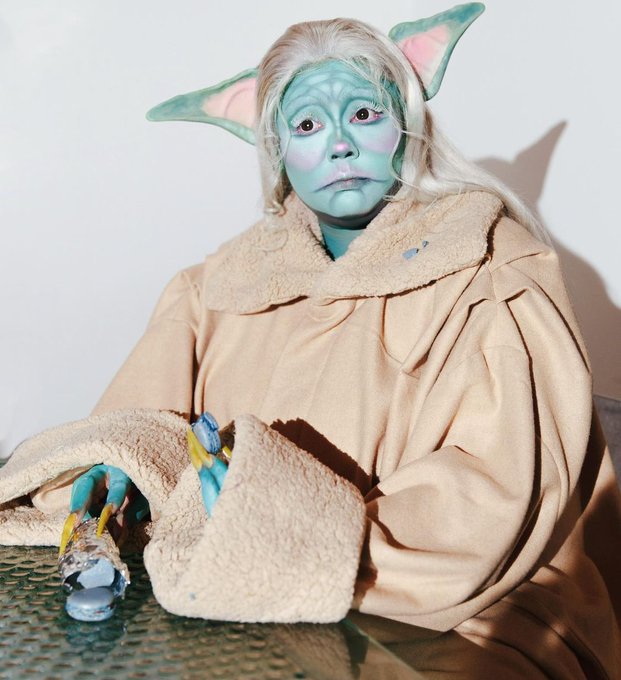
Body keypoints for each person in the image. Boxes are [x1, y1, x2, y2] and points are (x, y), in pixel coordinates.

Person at [1, 5, 620, 677]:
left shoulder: (495, 270)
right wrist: (123, 472)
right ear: (275, 150)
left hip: (463, 616)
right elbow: (136, 429)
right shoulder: (211, 288)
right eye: (305, 124)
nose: (339, 144)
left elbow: (497, 493)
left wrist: (285, 529)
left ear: (405, 125)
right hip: (230, 595)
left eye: (362, 114)